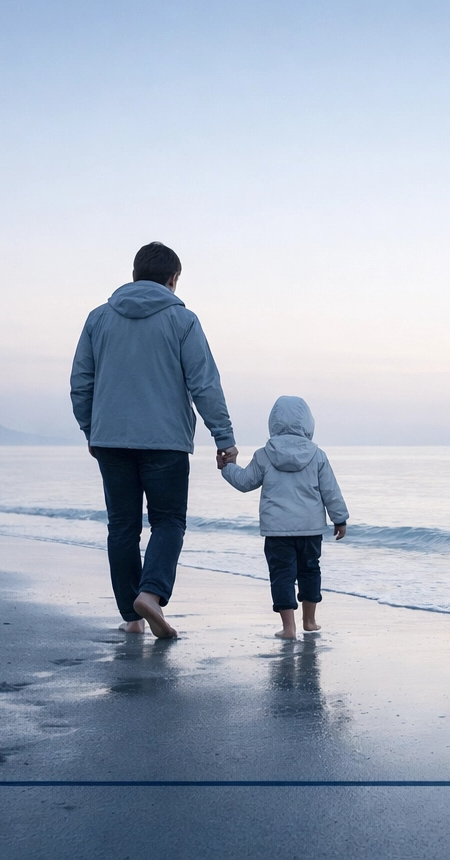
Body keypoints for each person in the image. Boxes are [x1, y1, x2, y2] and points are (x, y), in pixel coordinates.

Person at [70, 242, 238, 639]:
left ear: (134, 274)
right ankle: (151, 594)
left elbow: (81, 383)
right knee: (168, 522)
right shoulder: (183, 322)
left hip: (110, 440)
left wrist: (90, 430)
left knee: (122, 527)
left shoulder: (98, 319)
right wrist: (224, 437)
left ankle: (132, 617)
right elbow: (204, 384)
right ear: (173, 279)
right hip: (166, 443)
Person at [221, 395, 349, 639]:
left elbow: (245, 482)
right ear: (308, 423)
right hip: (310, 530)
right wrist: (339, 519)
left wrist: (228, 467)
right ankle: (309, 621)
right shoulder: (317, 455)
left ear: (274, 422)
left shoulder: (264, 454)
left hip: (277, 531)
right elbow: (330, 491)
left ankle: (289, 628)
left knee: (282, 575)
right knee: (310, 571)